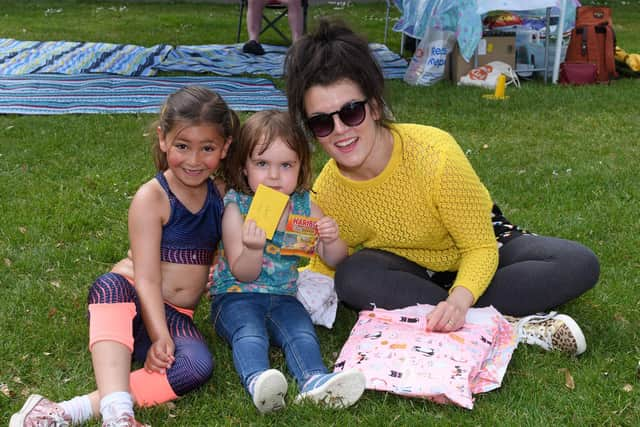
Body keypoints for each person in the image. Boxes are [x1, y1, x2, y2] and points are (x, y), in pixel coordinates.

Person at [284, 19, 600, 357]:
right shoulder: (329, 188)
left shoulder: (435, 153)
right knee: (352, 277)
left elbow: (479, 247)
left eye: (351, 112)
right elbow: (320, 260)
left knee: (578, 263)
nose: (339, 131)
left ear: (374, 106)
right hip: (412, 272)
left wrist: (460, 298)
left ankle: (463, 316)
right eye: (321, 121)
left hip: (481, 250)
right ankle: (506, 322)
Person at [10, 86, 240, 427]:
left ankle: (65, 411)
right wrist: (160, 335)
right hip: (132, 303)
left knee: (196, 366)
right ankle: (119, 415)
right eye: (182, 146)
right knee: (109, 285)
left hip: (176, 314)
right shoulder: (153, 198)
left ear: (225, 147)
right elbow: (146, 278)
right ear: (163, 140)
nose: (194, 160)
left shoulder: (221, 194)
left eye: (207, 148)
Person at [209, 110, 365, 414]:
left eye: (286, 165)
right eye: (262, 164)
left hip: (283, 296)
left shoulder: (304, 206)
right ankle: (259, 382)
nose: (274, 176)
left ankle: (314, 381)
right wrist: (253, 248)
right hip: (235, 298)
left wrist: (331, 239)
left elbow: (336, 260)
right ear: (244, 167)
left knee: (301, 331)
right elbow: (242, 272)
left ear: (300, 167)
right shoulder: (236, 208)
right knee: (249, 332)